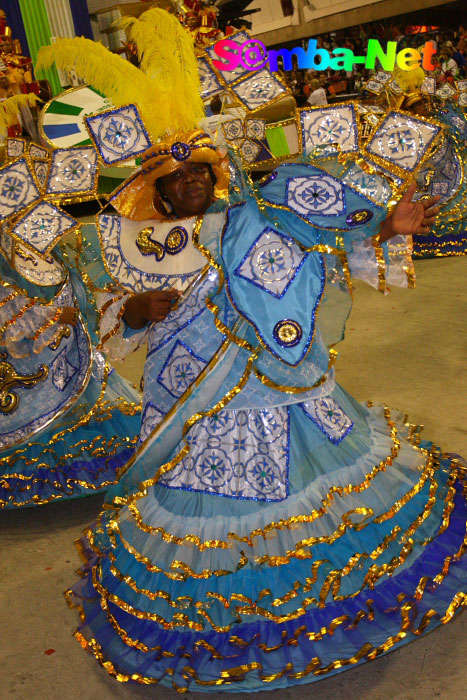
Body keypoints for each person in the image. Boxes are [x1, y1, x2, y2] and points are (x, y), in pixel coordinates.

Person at [64, 125, 467, 693]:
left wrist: (385, 227)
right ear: (159, 192)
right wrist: (134, 309)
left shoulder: (253, 218)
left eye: (199, 169)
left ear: (215, 173)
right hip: (191, 402)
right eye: (176, 178)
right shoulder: (133, 247)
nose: (192, 182)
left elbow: (319, 247)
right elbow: (107, 330)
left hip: (280, 390)